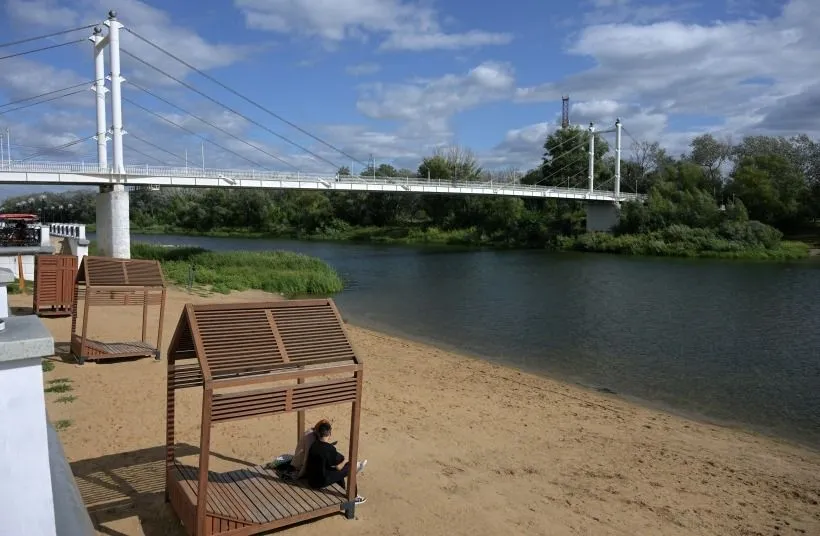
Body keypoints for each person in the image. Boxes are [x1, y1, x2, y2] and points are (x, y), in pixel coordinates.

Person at [305, 420, 368, 504]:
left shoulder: (314, 444)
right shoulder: (329, 448)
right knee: (350, 468)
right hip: (319, 482)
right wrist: (345, 460)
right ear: (330, 434)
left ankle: (342, 488)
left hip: (311, 479)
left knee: (337, 471)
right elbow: (338, 467)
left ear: (319, 433)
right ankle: (354, 497)